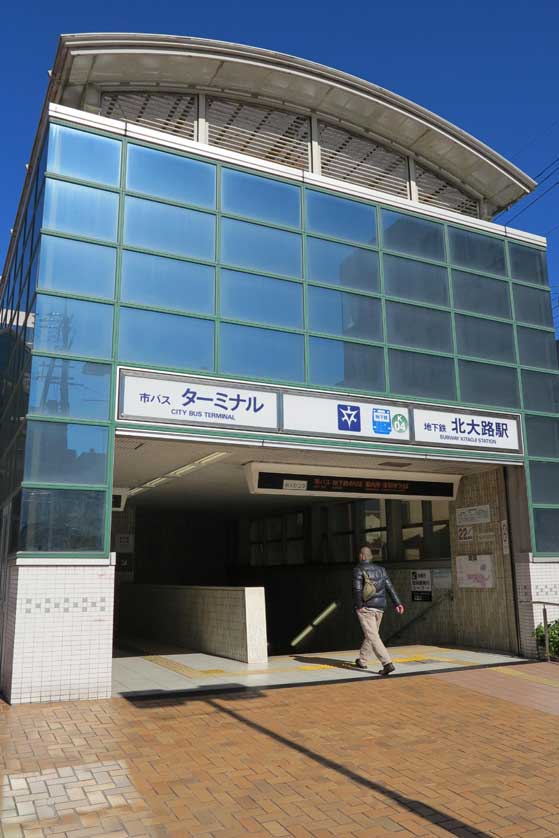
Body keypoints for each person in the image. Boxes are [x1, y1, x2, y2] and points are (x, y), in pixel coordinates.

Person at [352, 545, 405, 675]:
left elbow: (357, 590)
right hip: (380, 608)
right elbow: (389, 587)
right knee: (371, 634)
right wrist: (397, 603)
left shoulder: (358, 569)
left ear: (362, 556)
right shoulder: (381, 570)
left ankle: (387, 663)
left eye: (360, 554)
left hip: (366, 608)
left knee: (373, 636)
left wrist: (359, 606)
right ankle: (362, 660)